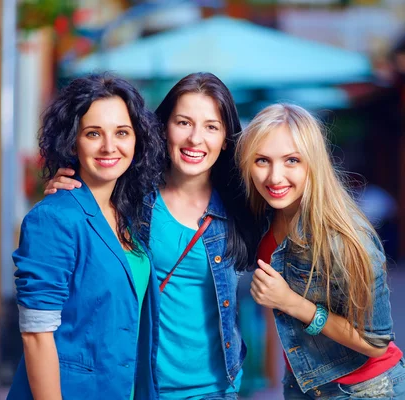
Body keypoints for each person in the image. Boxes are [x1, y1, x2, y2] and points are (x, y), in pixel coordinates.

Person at [44, 72, 257, 399]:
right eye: (183, 123)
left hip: (217, 390)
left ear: (226, 137)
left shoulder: (242, 203)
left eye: (211, 127)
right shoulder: (129, 196)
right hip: (141, 387)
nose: (195, 139)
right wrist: (68, 191)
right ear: (163, 127)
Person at [235, 103, 405, 399]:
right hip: (303, 384)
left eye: (291, 160)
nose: (275, 177)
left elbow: (376, 341)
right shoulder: (263, 218)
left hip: (366, 389)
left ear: (312, 163)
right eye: (262, 160)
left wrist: (292, 303)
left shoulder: (344, 237)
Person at [6, 74, 165, 400]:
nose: (110, 146)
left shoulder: (129, 213)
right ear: (72, 141)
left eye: (122, 132)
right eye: (94, 133)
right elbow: (37, 335)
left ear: (137, 140)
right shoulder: (52, 218)